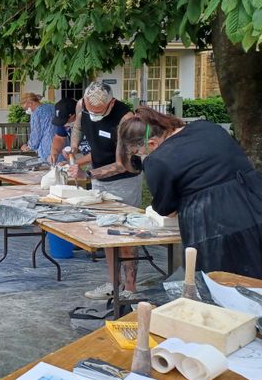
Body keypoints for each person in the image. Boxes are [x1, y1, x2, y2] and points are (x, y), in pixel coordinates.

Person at [117, 108, 262, 277]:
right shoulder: (207, 127)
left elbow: (167, 210)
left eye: (137, 152)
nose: (140, 156)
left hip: (215, 228)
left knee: (225, 287)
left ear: (152, 144)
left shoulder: (158, 160)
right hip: (255, 202)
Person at [68, 81, 140, 301]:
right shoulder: (83, 106)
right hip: (99, 178)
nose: (95, 115)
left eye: (100, 112)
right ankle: (113, 284)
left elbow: (123, 165)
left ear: (111, 103)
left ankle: (130, 289)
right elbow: (78, 127)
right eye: (92, 111)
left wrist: (87, 175)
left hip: (124, 180)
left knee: (125, 235)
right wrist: (73, 149)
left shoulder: (125, 119)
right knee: (107, 233)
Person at [49, 97, 91, 166]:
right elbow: (59, 138)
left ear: (73, 115)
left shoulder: (90, 121)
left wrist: (74, 163)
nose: (64, 125)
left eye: (66, 121)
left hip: (105, 163)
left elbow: (99, 152)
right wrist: (54, 152)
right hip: (88, 161)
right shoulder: (64, 121)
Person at [19, 92, 55, 163]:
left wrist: (29, 146)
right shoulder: (51, 107)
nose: (27, 110)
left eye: (26, 108)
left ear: (30, 103)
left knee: (49, 171)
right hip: (62, 143)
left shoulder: (36, 113)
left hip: (47, 147)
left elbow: (36, 133)